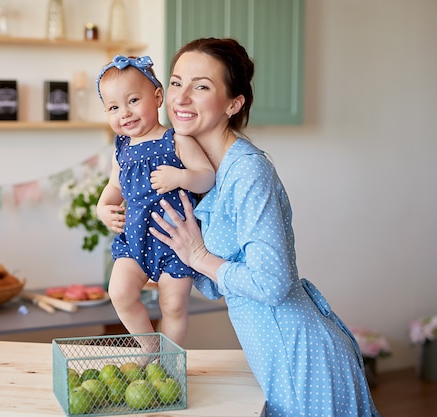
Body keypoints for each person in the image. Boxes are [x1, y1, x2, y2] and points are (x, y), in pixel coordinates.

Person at [148, 38, 380, 417]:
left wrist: (199, 257)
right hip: (276, 356)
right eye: (176, 82)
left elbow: (271, 283)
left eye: (201, 86)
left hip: (302, 359)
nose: (182, 97)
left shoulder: (248, 170)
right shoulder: (202, 173)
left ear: (234, 103)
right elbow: (214, 279)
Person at [95, 55, 215, 346]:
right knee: (120, 292)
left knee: (172, 306)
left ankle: (169, 362)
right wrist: (102, 208)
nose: (124, 113)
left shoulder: (176, 140)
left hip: (175, 241)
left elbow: (207, 176)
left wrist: (181, 178)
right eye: (114, 107)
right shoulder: (121, 150)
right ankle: (150, 349)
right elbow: (114, 186)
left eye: (133, 100)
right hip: (136, 238)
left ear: (158, 96)